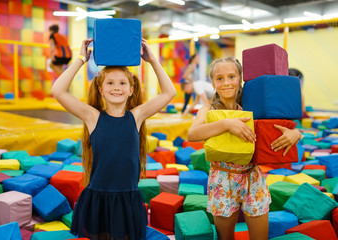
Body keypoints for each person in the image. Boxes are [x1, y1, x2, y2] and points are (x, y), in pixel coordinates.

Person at [51, 38, 176, 240]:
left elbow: (169, 92)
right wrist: (81, 59)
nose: (116, 87)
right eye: (110, 83)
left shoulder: (136, 116)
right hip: (98, 197)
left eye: (122, 83)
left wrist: (152, 60)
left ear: (131, 89)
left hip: (127, 198)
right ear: (101, 89)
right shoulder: (93, 117)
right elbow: (57, 91)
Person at [187, 57, 302, 240]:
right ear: (213, 82)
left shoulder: (252, 107)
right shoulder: (208, 110)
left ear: (240, 79)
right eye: (219, 78)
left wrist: (296, 134)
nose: (226, 83)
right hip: (222, 179)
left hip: (252, 178)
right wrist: (227, 124)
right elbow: (192, 134)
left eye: (231, 77)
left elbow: (284, 123)